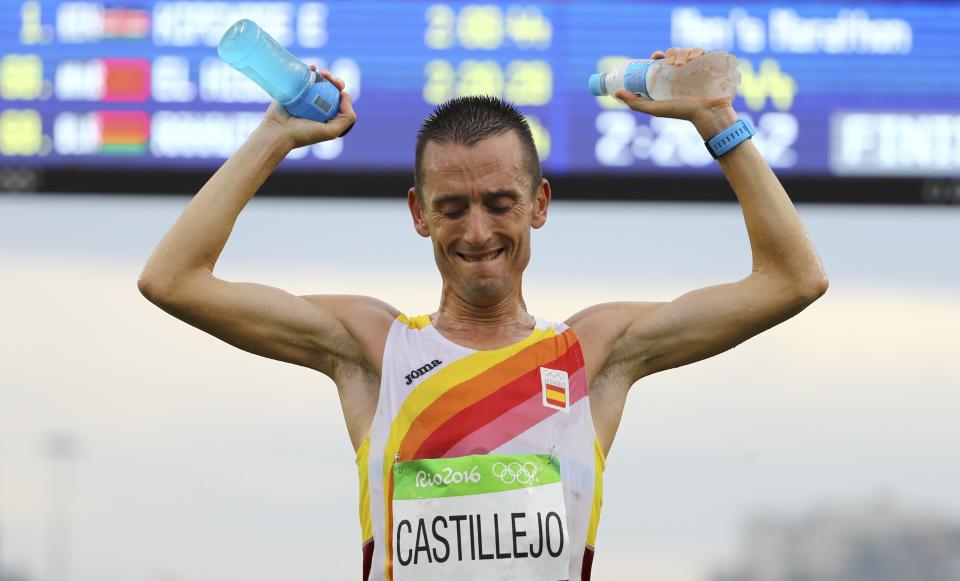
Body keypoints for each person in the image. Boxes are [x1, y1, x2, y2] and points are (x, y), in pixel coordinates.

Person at [138, 47, 828, 581]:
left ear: (540, 203)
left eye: (499, 202)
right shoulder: (375, 349)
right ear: (418, 213)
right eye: (452, 207)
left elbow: (792, 280)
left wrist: (717, 120)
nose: (477, 232)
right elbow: (173, 279)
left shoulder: (594, 351)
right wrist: (275, 136)